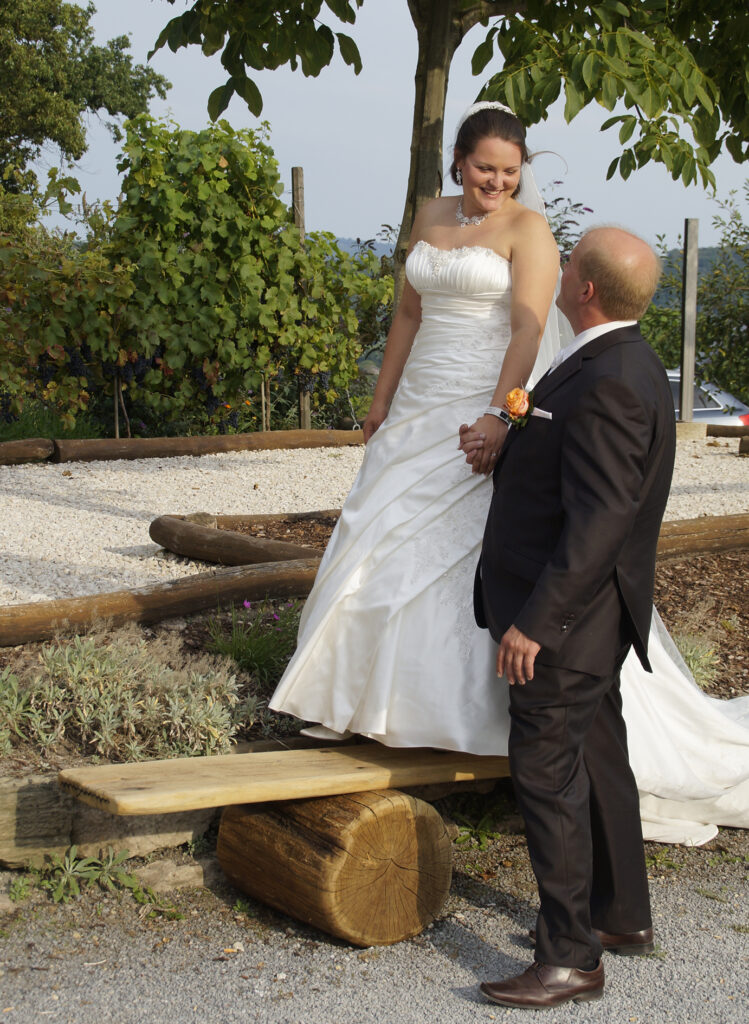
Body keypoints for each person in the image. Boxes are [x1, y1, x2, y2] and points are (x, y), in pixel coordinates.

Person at [269, 102, 749, 848]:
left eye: (509, 171)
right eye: (484, 168)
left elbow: (528, 326)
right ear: (457, 161)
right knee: (376, 532)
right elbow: (406, 314)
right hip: (417, 402)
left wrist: (501, 415)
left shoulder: (527, 231)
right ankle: (351, 704)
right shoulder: (430, 213)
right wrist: (381, 398)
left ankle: (467, 720)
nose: (496, 182)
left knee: (453, 548)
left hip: (477, 403)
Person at [472, 227, 671, 1009]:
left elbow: (599, 521)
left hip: (567, 620)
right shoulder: (616, 359)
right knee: (595, 756)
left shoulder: (611, 377)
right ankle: (618, 915)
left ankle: (569, 957)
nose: (555, 269)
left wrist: (536, 622)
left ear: (584, 288)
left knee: (547, 773)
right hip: (591, 619)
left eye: (567, 261)